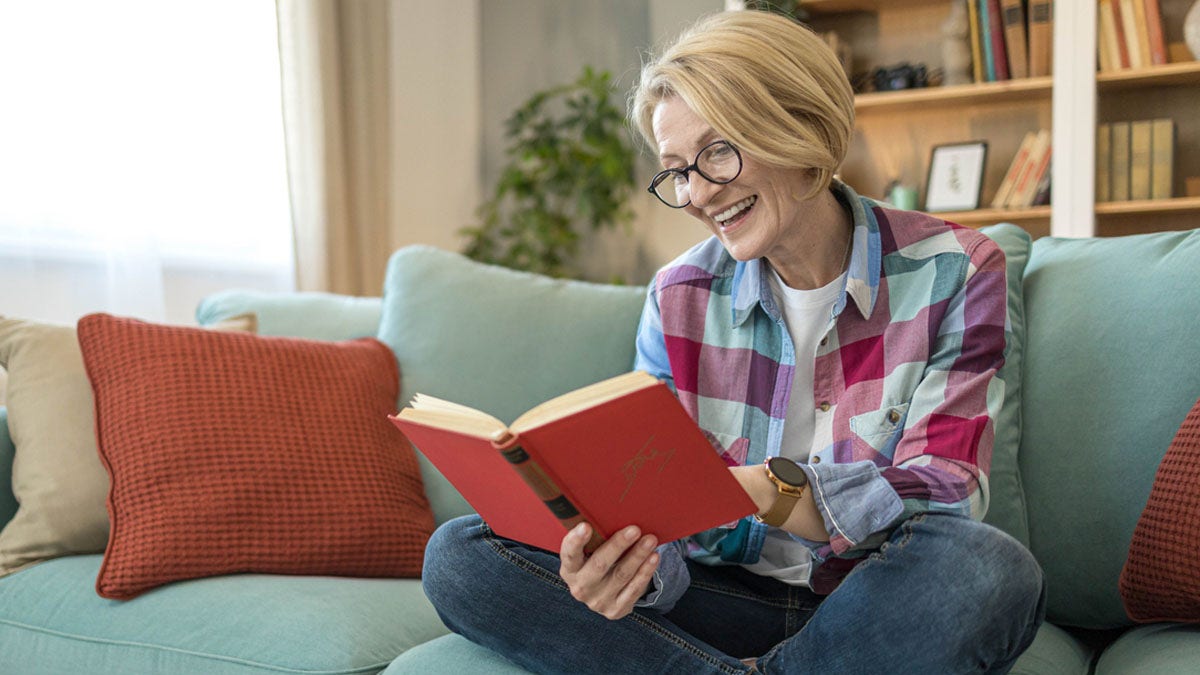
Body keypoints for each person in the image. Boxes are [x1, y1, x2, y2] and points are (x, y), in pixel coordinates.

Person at [422, 10, 1045, 673]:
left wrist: (762, 489)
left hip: (875, 594)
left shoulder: (956, 268)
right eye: (677, 170)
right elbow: (661, 522)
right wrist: (622, 565)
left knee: (989, 572)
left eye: (717, 151)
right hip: (722, 596)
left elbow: (944, 494)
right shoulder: (677, 294)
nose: (697, 193)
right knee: (460, 555)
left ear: (799, 126)